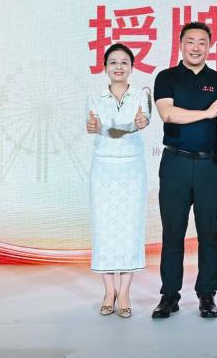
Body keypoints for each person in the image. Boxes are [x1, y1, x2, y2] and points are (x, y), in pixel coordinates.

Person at [152, 22, 217, 319]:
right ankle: (169, 294)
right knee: (173, 231)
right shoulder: (166, 77)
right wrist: (207, 112)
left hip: (211, 164)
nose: (196, 47)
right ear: (181, 44)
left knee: (209, 233)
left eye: (202, 42)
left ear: (209, 46)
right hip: (176, 163)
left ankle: (207, 294)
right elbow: (168, 114)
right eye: (190, 41)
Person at [86, 43, 151, 319]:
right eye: (113, 62)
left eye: (124, 62)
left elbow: (143, 120)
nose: (119, 67)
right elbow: (93, 125)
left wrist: (141, 122)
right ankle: (108, 291)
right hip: (103, 168)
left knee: (129, 229)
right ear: (105, 68)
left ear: (132, 67)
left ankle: (124, 292)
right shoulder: (94, 96)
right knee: (104, 228)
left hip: (132, 169)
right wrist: (93, 127)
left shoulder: (142, 95)